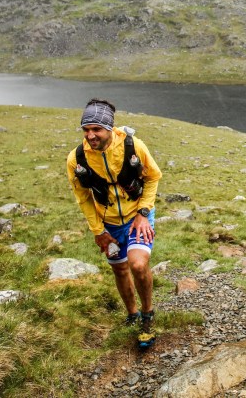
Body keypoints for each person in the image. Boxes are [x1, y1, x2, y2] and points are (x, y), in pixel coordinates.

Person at [66, 98, 163, 349]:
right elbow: (83, 198)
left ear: (110, 128)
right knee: (120, 270)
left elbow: (153, 177)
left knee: (138, 264)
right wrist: (98, 231)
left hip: (136, 217)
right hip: (107, 223)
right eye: (86, 130)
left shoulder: (133, 146)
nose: (90, 135)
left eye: (96, 129)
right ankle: (132, 314)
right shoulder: (77, 159)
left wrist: (143, 212)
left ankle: (147, 315)